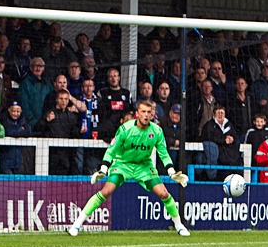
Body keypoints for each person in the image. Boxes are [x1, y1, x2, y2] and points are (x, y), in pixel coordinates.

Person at [68, 100, 190, 237]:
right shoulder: (126, 129)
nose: (146, 115)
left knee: (164, 194)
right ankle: (76, 225)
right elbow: (111, 150)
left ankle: (179, 226)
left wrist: (171, 172)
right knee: (106, 191)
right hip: (122, 164)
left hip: (144, 166)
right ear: (137, 114)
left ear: (152, 115)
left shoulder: (156, 131)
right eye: (143, 112)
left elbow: (164, 154)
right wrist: (103, 169)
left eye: (149, 112)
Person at [38, 90, 83, 175]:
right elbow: (37, 129)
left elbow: (74, 133)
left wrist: (80, 132)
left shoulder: (71, 116)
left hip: (66, 155)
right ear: (57, 100)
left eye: (66, 99)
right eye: (61, 99)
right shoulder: (49, 113)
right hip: (51, 154)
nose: (64, 101)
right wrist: (46, 120)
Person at [198, 105, 241, 181]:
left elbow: (235, 137)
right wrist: (223, 140)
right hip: (217, 153)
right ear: (214, 114)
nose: (220, 115)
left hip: (229, 154)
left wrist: (232, 139)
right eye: (218, 113)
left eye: (222, 113)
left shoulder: (229, 125)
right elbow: (208, 137)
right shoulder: (209, 125)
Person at [0, 101, 33, 175]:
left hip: (18, 163)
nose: (16, 114)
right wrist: (20, 130)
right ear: (9, 110)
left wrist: (17, 132)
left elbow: (28, 131)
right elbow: (8, 131)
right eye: (14, 111)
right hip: (5, 162)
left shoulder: (24, 120)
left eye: (18, 111)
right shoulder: (3, 120)